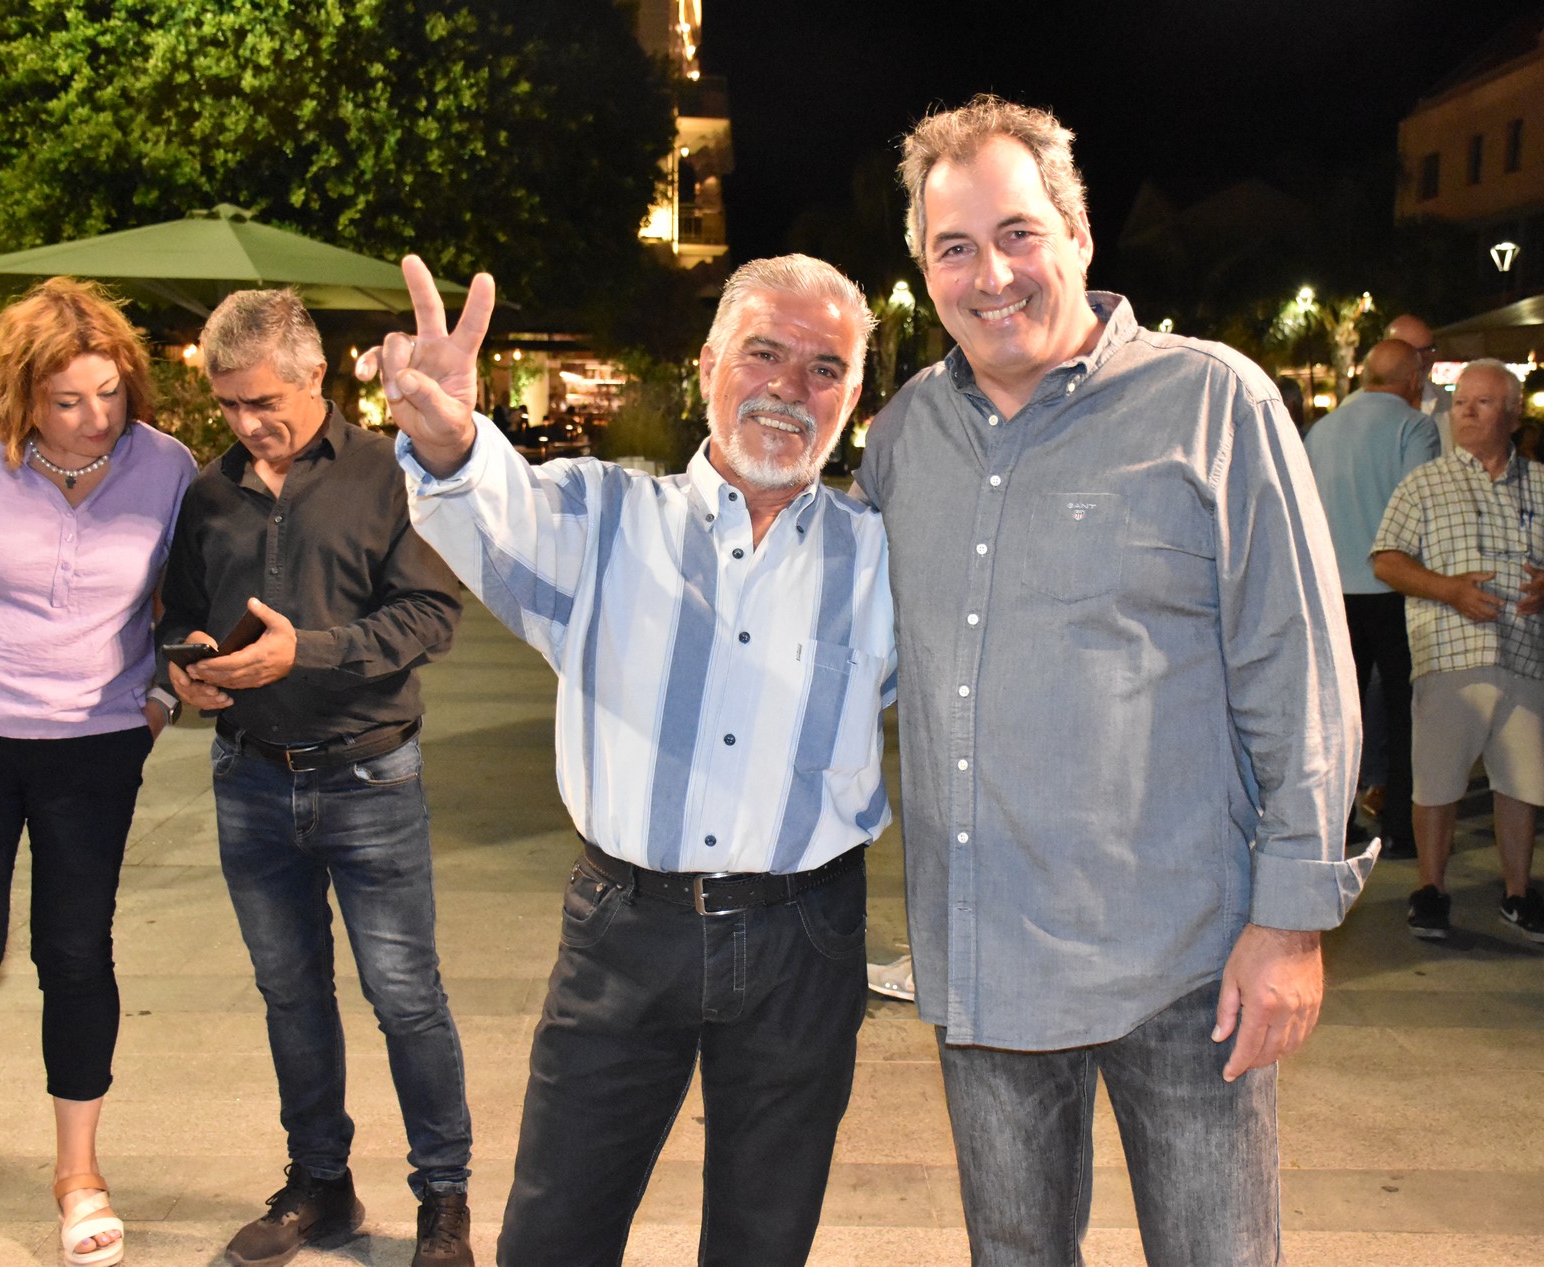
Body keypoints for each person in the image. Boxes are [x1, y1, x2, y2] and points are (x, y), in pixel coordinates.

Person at [858, 95, 1366, 1265]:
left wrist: (1291, 921)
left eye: (1017, 234)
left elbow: (1298, 669)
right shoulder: (904, 439)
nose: (990, 275)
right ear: (925, 268)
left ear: (1078, 233)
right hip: (986, 966)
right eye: (953, 247)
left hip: (1187, 967)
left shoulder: (1212, 401)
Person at [370, 254, 893, 1267]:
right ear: (708, 365)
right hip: (626, 929)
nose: (790, 387)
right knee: (554, 1232)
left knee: (764, 1240)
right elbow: (490, 505)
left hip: (805, 941)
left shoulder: (878, 559)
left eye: (824, 368)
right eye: (764, 353)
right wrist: (447, 439)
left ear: (852, 396)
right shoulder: (603, 517)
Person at [0, 278, 195, 1267]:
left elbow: (184, 602)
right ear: (23, 393)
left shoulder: (166, 467)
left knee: (76, 953)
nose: (94, 416)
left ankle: (79, 1176)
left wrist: (160, 700)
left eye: (110, 392)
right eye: (67, 400)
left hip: (95, 750)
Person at [159, 290, 473, 1267]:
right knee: (290, 992)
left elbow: (431, 615)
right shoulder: (208, 493)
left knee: (405, 994)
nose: (246, 422)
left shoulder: (389, 470)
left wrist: (308, 651)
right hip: (249, 778)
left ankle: (444, 1197)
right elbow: (178, 610)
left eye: (263, 401)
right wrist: (185, 664)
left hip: (369, 774)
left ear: (315, 376)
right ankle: (320, 1185)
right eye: (228, 404)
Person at [1372, 359, 1544, 943]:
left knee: (1523, 782)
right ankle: (1431, 889)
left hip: (1530, 655)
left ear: (1513, 415)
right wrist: (1449, 590)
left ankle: (1518, 894)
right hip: (1451, 654)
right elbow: (1386, 560)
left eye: (1483, 402)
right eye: (1462, 401)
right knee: (1437, 782)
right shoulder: (1425, 482)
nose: (1465, 412)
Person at [1303, 339, 1442, 862]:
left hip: (1332, 591)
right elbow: (1422, 506)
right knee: (1406, 713)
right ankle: (1403, 826)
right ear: (1412, 380)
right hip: (1393, 587)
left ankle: (1334, 823)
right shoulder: (1415, 427)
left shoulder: (1323, 429)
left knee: (1338, 714)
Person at [1384, 313, 1453, 452]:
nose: (1422, 359)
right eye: (1413, 352)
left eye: (1429, 350)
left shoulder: (1449, 403)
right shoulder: (1356, 410)